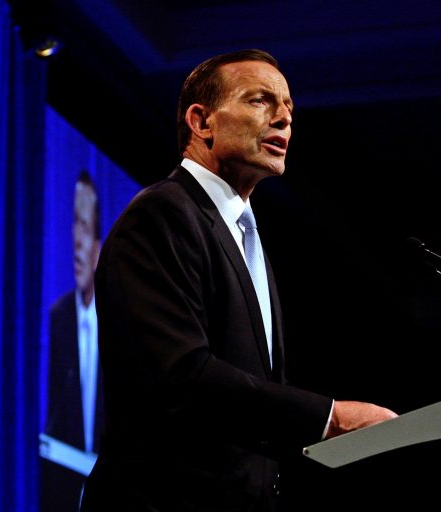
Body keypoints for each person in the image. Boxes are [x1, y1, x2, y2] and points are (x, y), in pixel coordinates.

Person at [78, 49, 397, 512]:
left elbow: (252, 402)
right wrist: (330, 418)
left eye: (288, 107)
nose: (284, 119)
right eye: (260, 101)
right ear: (201, 121)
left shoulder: (245, 234)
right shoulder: (163, 214)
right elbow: (181, 376)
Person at [41, 171, 105, 512]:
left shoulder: (119, 321)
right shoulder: (58, 317)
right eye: (73, 226)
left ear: (98, 246)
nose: (76, 240)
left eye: (84, 225)